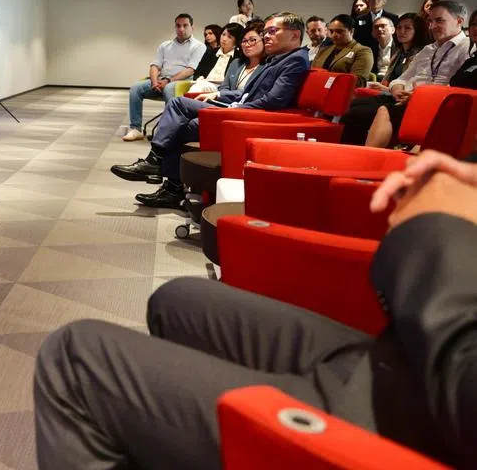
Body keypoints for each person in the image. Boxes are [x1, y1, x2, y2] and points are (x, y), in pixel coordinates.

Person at [34, 147, 477, 470]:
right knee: (177, 300)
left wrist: (437, 228)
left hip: (412, 419)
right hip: (392, 361)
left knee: (76, 356)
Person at [111, 13, 309, 209]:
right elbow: (245, 93)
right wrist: (225, 98)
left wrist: (237, 106)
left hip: (248, 117)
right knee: (181, 126)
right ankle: (171, 187)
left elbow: (273, 101)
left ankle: (155, 161)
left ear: (294, 34)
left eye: (273, 31)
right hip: (242, 109)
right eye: (265, 32)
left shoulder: (294, 60)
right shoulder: (277, 59)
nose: (267, 36)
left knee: (179, 104)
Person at [341, 1, 472, 146]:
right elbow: (402, 78)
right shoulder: (428, 49)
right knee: (355, 105)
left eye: (439, 20)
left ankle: (366, 159)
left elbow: (459, 86)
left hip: (431, 102)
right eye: (430, 21)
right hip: (405, 97)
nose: (432, 26)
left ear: (459, 21)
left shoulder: (466, 48)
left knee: (359, 113)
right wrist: (397, 90)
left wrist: (420, 97)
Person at [122, 13, 206, 142]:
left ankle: (165, 131)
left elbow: (190, 70)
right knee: (136, 88)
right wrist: (155, 81)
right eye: (178, 26)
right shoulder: (165, 45)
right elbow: (155, 66)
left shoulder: (199, 46)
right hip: (162, 80)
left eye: (185, 25)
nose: (181, 29)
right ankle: (136, 128)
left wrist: (168, 81)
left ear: (192, 27)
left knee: (169, 88)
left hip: (183, 82)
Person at [366, 12, 431, 90]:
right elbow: (387, 80)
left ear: (417, 31)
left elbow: (412, 88)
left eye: (407, 28)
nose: (401, 31)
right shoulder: (399, 52)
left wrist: (385, 89)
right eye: (399, 27)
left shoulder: (422, 53)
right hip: (388, 92)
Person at [312, 13, 374, 87]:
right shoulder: (323, 50)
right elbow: (312, 73)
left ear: (351, 31)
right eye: (331, 31)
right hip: (317, 88)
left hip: (342, 92)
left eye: (339, 31)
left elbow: (357, 81)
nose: (334, 35)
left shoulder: (362, 51)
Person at [186, 23, 243, 95]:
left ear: (236, 41)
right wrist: (200, 77)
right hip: (204, 83)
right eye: (223, 34)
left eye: (229, 37)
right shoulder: (211, 53)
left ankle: (186, 101)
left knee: (200, 87)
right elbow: (198, 72)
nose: (224, 39)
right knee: (199, 85)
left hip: (221, 88)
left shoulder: (238, 57)